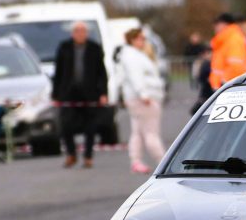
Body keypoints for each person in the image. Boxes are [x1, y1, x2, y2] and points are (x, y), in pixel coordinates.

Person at [53, 21, 108, 168]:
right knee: (66, 126)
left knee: (90, 127)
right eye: (77, 31)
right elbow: (58, 72)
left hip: (90, 94)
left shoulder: (94, 48)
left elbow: (102, 73)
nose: (80, 34)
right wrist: (56, 94)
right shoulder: (64, 48)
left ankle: (88, 157)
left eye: (83, 31)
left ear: (87, 33)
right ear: (72, 33)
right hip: (68, 94)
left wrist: (103, 93)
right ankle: (71, 154)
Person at [119, 28, 167, 174]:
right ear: (132, 39)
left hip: (137, 97)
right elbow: (136, 77)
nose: (143, 41)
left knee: (138, 132)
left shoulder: (132, 55)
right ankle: (163, 162)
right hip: (144, 98)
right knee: (151, 133)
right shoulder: (132, 56)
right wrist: (143, 94)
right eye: (140, 38)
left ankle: (136, 161)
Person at [208, 13, 246, 90]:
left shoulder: (233, 39)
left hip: (227, 87)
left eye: (217, 24)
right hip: (223, 87)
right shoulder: (225, 39)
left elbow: (236, 65)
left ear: (224, 24)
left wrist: (224, 83)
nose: (214, 27)